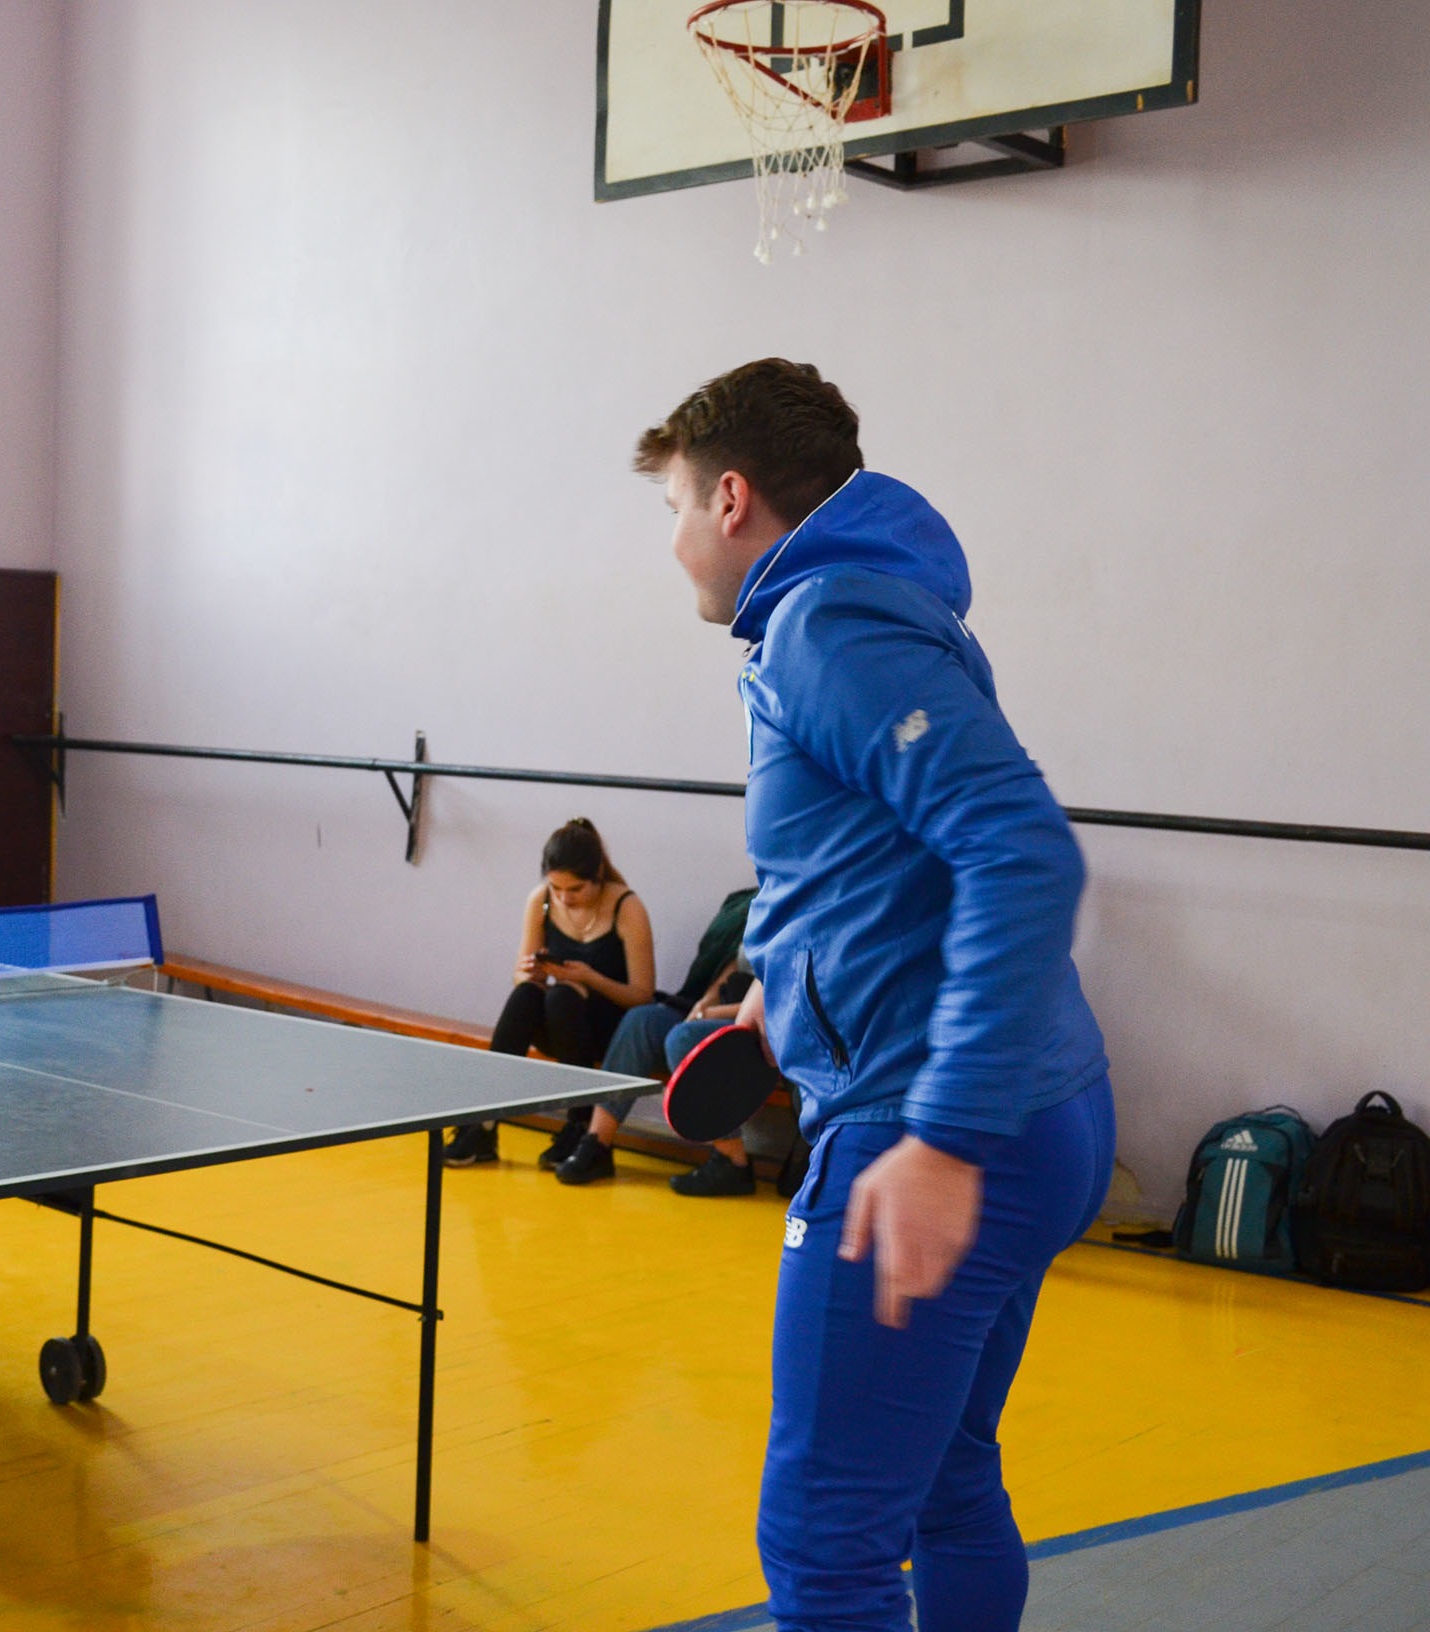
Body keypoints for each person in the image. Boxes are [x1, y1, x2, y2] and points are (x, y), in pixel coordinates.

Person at [634, 359, 1113, 1632]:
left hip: (934, 1122)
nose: (672, 543)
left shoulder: (826, 628)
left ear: (729, 498)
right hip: (1047, 1108)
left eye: (674, 508)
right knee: (946, 1480)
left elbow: (1020, 851)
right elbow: (875, 854)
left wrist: (943, 1141)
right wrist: (781, 989)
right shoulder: (876, 604)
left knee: (824, 1550)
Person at [441, 818, 655, 1167]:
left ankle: (580, 1125)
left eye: (575, 889)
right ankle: (482, 1122)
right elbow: (518, 973)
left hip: (606, 1029)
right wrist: (533, 973)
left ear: (598, 875)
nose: (564, 898)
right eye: (557, 888)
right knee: (527, 994)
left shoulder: (627, 906)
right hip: (560, 1024)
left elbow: (643, 996)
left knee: (563, 996)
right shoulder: (540, 900)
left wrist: (589, 978)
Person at [555, 886, 761, 1192]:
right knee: (642, 1020)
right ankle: (598, 1141)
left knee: (685, 1038)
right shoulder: (750, 903)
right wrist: (705, 1002)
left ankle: (732, 1161)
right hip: (722, 1008)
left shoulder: (804, 907)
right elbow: (730, 967)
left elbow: (774, 997)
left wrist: (712, 1012)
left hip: (761, 1022)